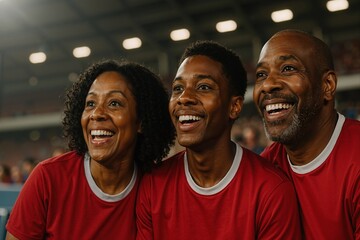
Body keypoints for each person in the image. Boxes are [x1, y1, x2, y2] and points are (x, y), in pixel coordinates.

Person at [136, 40, 302, 239]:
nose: (184, 98)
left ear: (234, 107)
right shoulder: (153, 186)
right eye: (178, 88)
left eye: (204, 87)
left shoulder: (271, 190)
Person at [6, 59, 175, 239]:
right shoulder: (48, 178)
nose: (96, 114)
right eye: (91, 104)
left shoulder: (155, 187)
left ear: (141, 121)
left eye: (114, 103)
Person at [253, 29, 360, 239]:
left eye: (288, 68)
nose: (268, 85)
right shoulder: (267, 165)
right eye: (261, 75)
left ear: (327, 85)